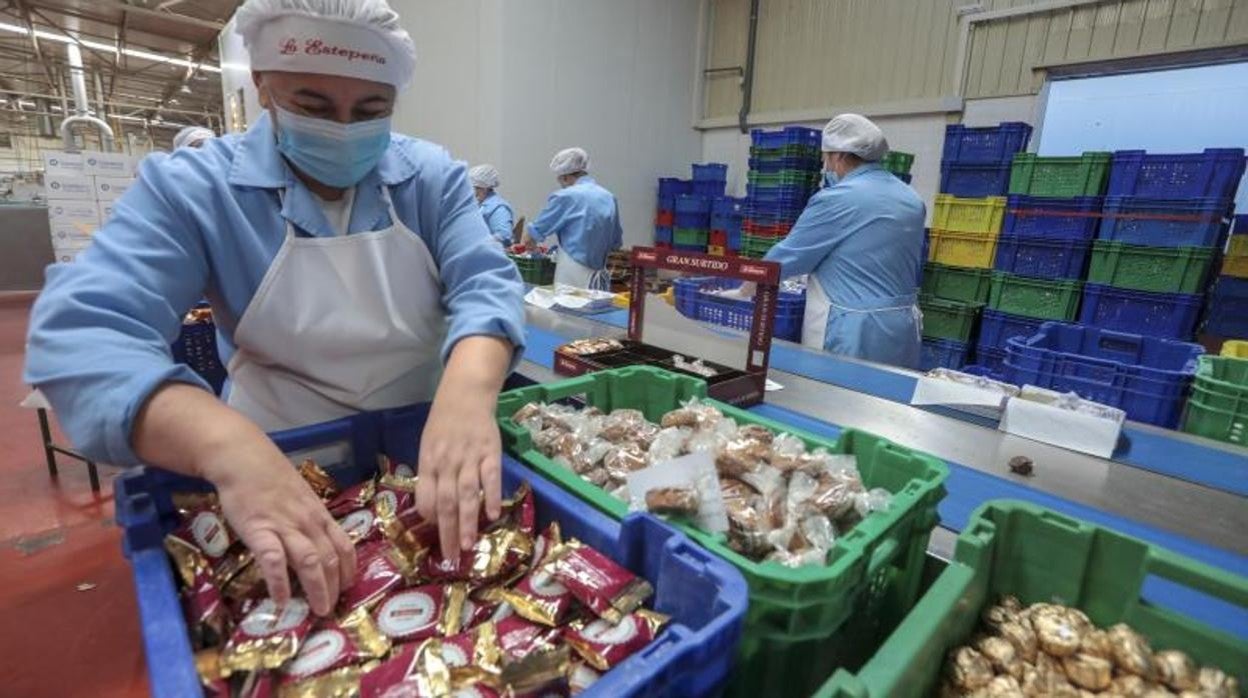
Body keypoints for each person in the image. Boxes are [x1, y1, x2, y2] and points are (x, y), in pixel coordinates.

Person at [24, 0, 525, 617]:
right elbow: (81, 334)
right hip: (280, 455)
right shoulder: (196, 190)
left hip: (426, 445)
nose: (343, 130)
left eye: (371, 112)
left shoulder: (430, 179)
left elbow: (486, 282)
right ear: (261, 86)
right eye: (313, 107)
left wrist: (468, 394)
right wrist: (224, 446)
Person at [752, 114, 924, 368]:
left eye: (827, 157)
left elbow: (788, 258)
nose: (827, 167)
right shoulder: (911, 198)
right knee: (887, 401)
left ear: (840, 155)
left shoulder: (839, 198)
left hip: (853, 331)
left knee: (833, 400)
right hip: (901, 327)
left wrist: (745, 288)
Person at [521, 147, 622, 289]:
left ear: (565, 177)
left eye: (560, 180)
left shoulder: (566, 197)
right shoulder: (609, 197)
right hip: (599, 273)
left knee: (567, 309)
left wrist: (531, 247)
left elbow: (533, 234)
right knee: (595, 309)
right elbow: (616, 242)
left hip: (572, 272)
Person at [469, 164, 515, 245]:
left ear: (487, 188)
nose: (474, 192)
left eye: (478, 188)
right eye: (473, 188)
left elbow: (504, 236)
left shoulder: (498, 208)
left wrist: (479, 244)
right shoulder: (479, 204)